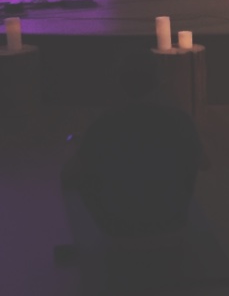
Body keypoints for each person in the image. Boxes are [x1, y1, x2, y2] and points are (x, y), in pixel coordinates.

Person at [61, 52, 206, 240]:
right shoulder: (181, 120)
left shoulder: (104, 126)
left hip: (119, 229)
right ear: (157, 82)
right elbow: (204, 162)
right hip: (172, 223)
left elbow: (68, 176)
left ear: (118, 83)